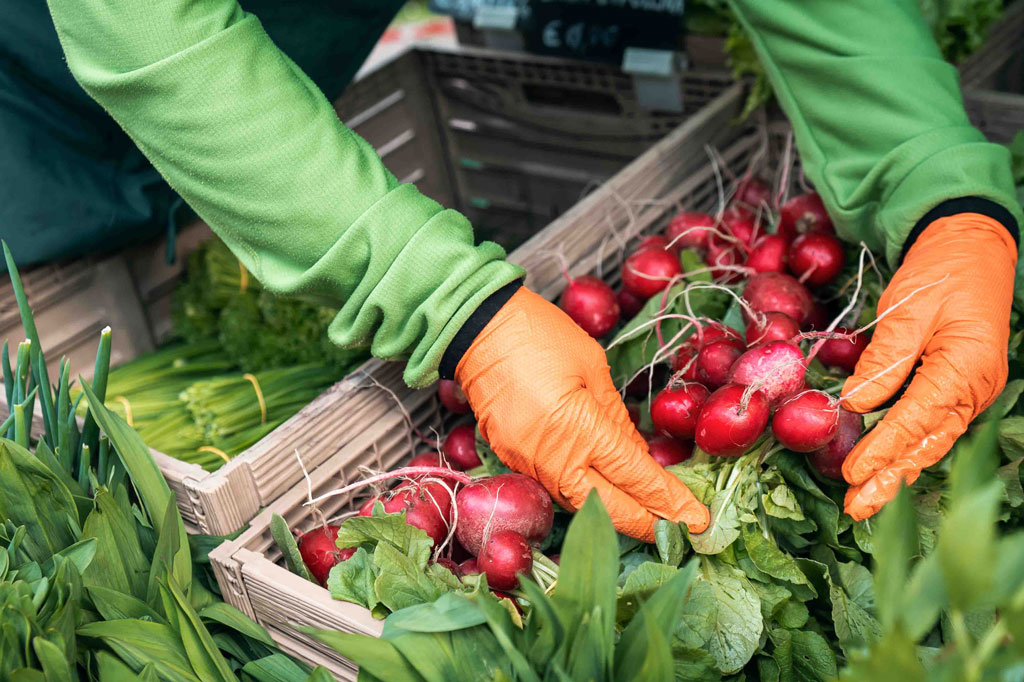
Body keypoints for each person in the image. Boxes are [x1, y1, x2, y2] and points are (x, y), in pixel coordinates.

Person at [38, 0, 1022, 541]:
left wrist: (938, 184)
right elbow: (143, 26)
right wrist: (455, 308)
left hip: (286, 55)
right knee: (56, 270)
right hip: (39, 100)